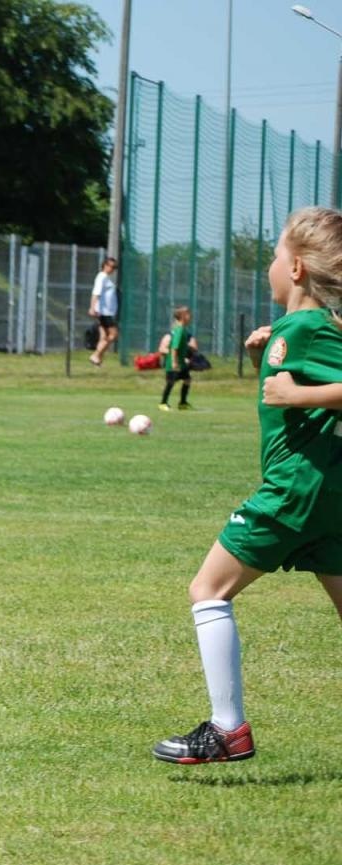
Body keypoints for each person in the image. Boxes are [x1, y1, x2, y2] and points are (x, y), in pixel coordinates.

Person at [153, 206, 342, 764]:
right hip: (328, 493)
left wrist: (296, 393)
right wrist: (269, 360)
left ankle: (228, 731)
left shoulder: (308, 327)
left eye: (276, 256)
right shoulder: (300, 330)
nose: (269, 266)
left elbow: (301, 391)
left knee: (208, 590)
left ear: (298, 268)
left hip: (296, 490)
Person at [159, 306, 195, 411]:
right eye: (188, 314)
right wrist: (174, 362)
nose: (190, 316)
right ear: (182, 316)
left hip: (181, 363)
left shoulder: (183, 330)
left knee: (187, 380)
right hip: (174, 363)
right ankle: (163, 403)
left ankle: (182, 403)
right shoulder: (179, 330)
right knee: (170, 382)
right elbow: (174, 347)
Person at [88, 256, 119, 366]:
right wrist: (92, 308)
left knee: (104, 336)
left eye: (115, 267)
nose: (112, 269)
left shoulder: (106, 277)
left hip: (107, 312)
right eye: (111, 266)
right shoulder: (102, 277)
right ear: (105, 265)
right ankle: (96, 355)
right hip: (105, 313)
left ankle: (98, 360)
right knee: (114, 334)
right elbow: (96, 293)